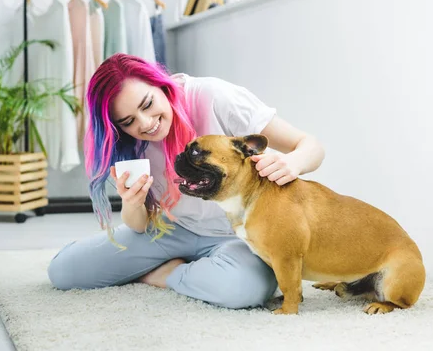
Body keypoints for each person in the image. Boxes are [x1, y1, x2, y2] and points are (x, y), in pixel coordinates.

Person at [47, 53, 325, 309]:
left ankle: (166, 273)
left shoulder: (213, 97)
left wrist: (292, 163)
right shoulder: (129, 142)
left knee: (241, 290)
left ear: (162, 85)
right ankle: (195, 270)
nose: (145, 124)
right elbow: (140, 225)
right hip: (174, 229)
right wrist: (132, 204)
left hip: (238, 234)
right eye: (128, 121)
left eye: (148, 104)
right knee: (64, 271)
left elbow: (310, 146)